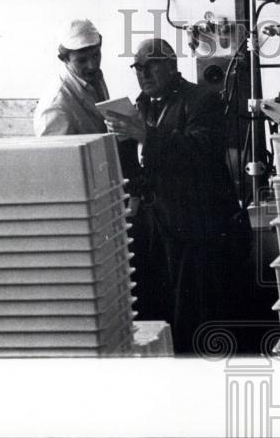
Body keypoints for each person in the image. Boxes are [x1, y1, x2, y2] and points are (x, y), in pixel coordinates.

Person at [104, 38, 251, 354]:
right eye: (138, 68)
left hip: (196, 231)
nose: (143, 74)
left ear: (171, 65)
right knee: (158, 309)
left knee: (196, 315)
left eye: (150, 65)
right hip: (156, 228)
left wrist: (145, 135)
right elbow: (141, 166)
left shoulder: (202, 101)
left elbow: (200, 152)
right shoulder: (141, 104)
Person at [33, 18, 110, 135]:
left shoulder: (94, 76)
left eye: (95, 55)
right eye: (82, 60)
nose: (92, 66)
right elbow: (57, 152)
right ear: (64, 59)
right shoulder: (55, 106)